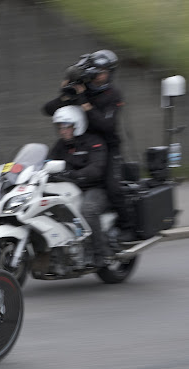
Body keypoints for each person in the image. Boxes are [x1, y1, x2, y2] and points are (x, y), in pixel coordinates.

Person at [43, 50, 136, 242]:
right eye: (97, 71)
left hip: (109, 146)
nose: (99, 75)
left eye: (103, 71)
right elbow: (49, 110)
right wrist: (64, 92)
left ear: (110, 73)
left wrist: (84, 101)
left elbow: (106, 125)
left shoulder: (113, 94)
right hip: (81, 144)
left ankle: (127, 227)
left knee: (113, 187)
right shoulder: (82, 88)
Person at [48, 105, 114, 268]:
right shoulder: (60, 146)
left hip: (94, 189)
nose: (62, 131)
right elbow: (47, 163)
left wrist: (73, 175)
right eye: (59, 127)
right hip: (69, 190)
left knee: (88, 210)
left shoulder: (94, 143)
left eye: (65, 126)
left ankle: (99, 254)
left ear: (77, 125)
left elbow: (96, 168)